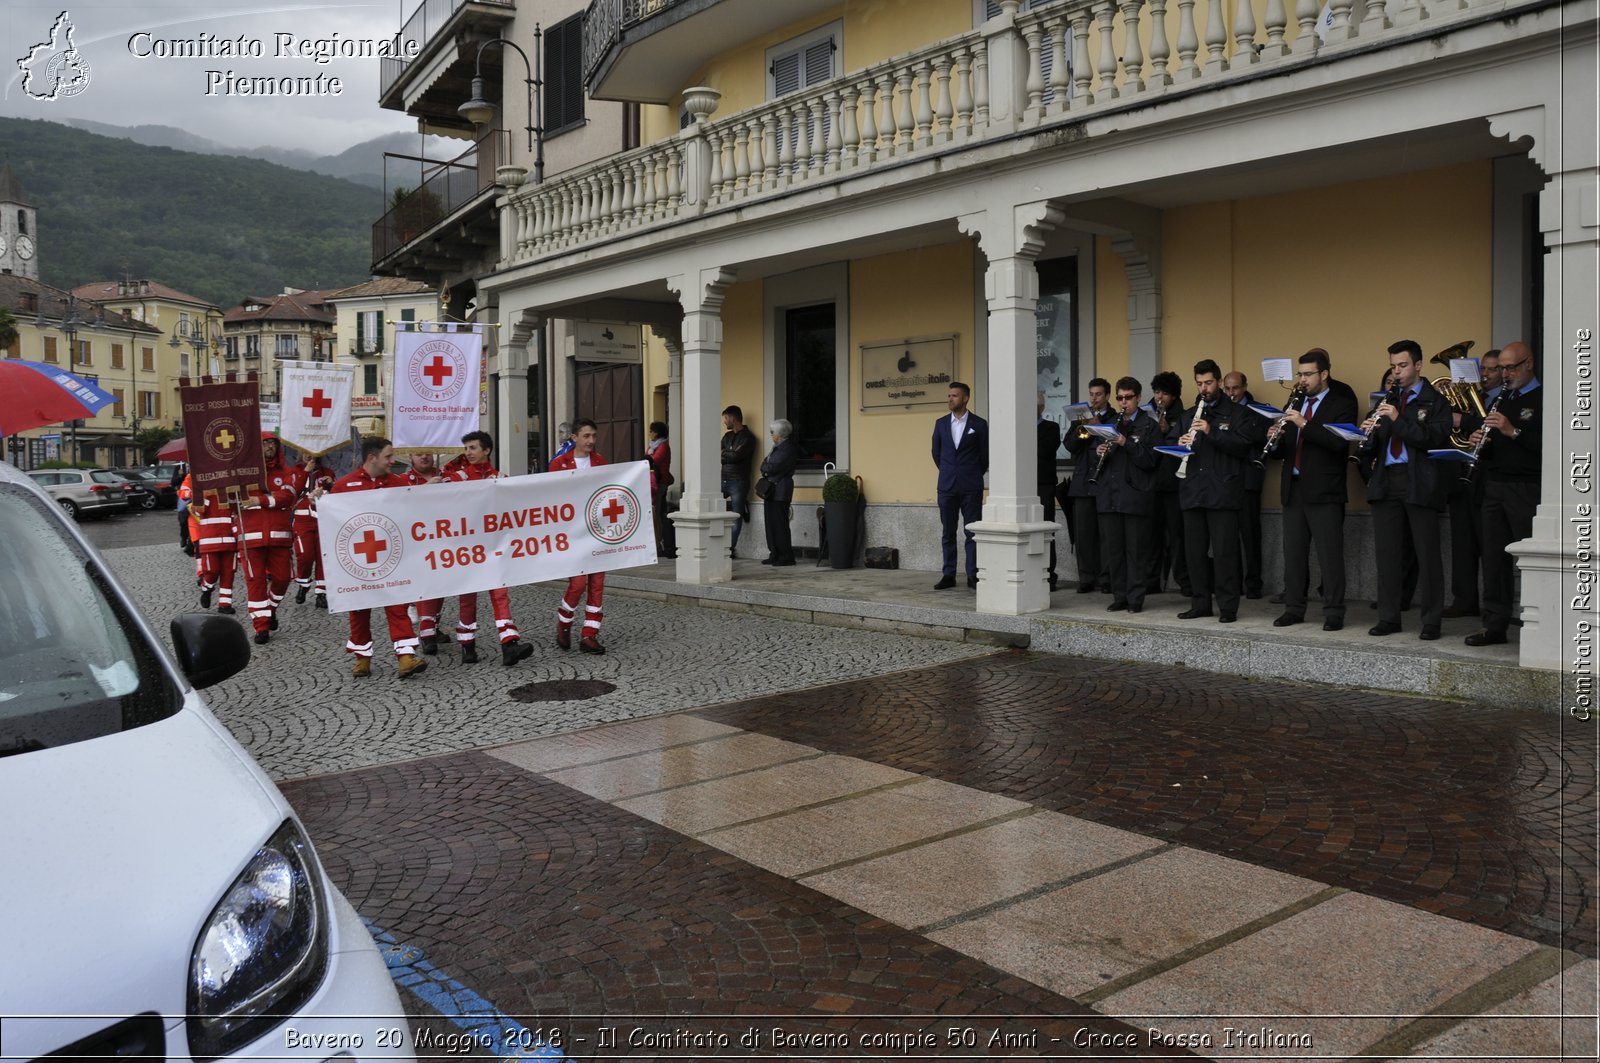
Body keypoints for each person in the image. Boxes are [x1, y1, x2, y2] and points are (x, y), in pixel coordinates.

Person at [1361, 339, 1452, 639]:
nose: (1396, 372)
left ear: (1418, 365)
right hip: (1387, 481)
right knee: (1387, 555)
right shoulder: (1387, 400)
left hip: (1419, 481)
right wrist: (1367, 433)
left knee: (1427, 555)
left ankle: (1431, 621)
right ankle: (1389, 617)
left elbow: (1432, 439)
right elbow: (1375, 445)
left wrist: (1398, 419)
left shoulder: (1435, 401)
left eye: (1402, 366)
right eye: (1392, 366)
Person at [426, 431, 534, 666]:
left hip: (493, 547)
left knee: (500, 593)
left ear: (487, 450)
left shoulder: (501, 478)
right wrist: (430, 484)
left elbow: (519, 503)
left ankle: (509, 645)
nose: (468, 453)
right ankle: (468, 646)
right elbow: (433, 494)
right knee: (468, 597)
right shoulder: (459, 477)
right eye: (466, 448)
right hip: (467, 548)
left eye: (473, 448)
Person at [1270, 349, 1358, 630]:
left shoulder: (1341, 402)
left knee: (1329, 555)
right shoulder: (1294, 401)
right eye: (1300, 374)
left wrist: (1303, 423)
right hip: (1293, 488)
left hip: (1324, 490)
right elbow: (1284, 451)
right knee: (1293, 554)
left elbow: (1338, 443)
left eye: (1308, 374)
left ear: (1324, 374)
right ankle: (1294, 608)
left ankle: (1334, 612)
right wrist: (1275, 438)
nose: (1303, 380)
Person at [330, 437, 427, 679]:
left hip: (392, 557)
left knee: (398, 605)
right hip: (357, 560)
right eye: (388, 457)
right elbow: (331, 523)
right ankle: (362, 658)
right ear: (372, 458)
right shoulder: (343, 486)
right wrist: (318, 501)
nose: (392, 462)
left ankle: (406, 657)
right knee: (359, 608)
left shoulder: (398, 484)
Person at [1464, 341, 1541, 646]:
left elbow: (1550, 446)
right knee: (1494, 559)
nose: (1506, 374)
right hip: (1495, 485)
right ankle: (1494, 625)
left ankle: (1540, 622)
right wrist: (1479, 441)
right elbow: (1498, 445)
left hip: (1526, 486)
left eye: (1511, 367)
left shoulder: (1545, 396)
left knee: (1530, 559)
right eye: (1504, 368)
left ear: (1529, 363)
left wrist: (1512, 431)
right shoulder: (1503, 397)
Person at [1175, 359, 1264, 622]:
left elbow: (1242, 446)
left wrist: (1211, 431)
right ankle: (1200, 603)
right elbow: (1172, 447)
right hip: (1193, 491)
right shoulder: (1188, 415)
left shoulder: (1239, 414)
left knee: (1225, 553)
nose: (1204, 388)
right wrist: (1180, 443)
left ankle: (1227, 607)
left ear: (1219, 382)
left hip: (1223, 491)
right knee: (1195, 553)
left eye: (1209, 383)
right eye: (1199, 383)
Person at [1094, 378, 1161, 613]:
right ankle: (1119, 596)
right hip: (1110, 495)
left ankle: (1135, 599)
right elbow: (1102, 459)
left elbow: (1151, 460)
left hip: (1134, 496)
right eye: (1120, 398)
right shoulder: (1111, 423)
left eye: (1128, 398)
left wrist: (1124, 442)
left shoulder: (1149, 425)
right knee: (1115, 551)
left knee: (1135, 551)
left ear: (1138, 398)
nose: (1124, 402)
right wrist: (1100, 450)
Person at [1443, 348, 1501, 619]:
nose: (1487, 375)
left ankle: (1493, 605)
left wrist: (1463, 419)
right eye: (1484, 370)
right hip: (1461, 476)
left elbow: (1489, 428)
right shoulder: (1468, 398)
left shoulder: (1502, 399)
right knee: (1462, 542)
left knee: (1488, 545)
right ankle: (1463, 599)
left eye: (1493, 369)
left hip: (1488, 479)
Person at [549, 419, 610, 653]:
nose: (591, 441)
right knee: (577, 584)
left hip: (596, 532)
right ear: (574, 438)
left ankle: (589, 635)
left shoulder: (600, 462)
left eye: (594, 435)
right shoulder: (559, 464)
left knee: (597, 584)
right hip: (571, 534)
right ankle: (564, 624)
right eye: (586, 436)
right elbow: (550, 498)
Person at [237, 434, 298, 645]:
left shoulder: (286, 473)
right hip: (251, 538)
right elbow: (231, 496)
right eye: (264, 443)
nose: (269, 447)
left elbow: (288, 496)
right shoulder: (242, 473)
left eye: (272, 443)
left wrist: (260, 500)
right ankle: (261, 627)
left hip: (279, 537)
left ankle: (270, 610)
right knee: (256, 583)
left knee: (282, 579)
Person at [931, 381, 989, 590]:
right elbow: (936, 454)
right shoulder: (940, 424)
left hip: (971, 485)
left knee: (972, 532)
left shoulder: (979, 425)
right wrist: (949, 471)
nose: (950, 399)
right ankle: (949, 574)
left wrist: (971, 473)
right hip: (947, 486)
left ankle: (973, 575)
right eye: (949, 396)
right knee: (948, 532)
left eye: (954, 396)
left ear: (965, 398)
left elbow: (985, 457)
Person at [1065, 378, 1114, 593]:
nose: (1094, 398)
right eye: (1092, 394)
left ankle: (1106, 578)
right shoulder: (1080, 419)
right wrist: (1083, 427)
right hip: (1083, 482)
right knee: (1084, 534)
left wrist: (1099, 427)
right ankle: (1086, 577)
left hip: (1104, 481)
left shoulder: (1115, 417)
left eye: (1099, 394)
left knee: (1105, 535)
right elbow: (1069, 446)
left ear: (1107, 396)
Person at [1222, 371, 1266, 599]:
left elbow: (1260, 438)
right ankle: (1234, 584)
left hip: (1248, 479)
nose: (1231, 393)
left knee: (1250, 535)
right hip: (1226, 479)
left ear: (1245, 386)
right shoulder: (1220, 409)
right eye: (1227, 389)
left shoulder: (1259, 409)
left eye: (1235, 388)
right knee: (1229, 537)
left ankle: (1254, 584)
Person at [1146, 372, 1189, 598]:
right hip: (1153, 484)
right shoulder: (1147, 414)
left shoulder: (1183, 416)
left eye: (1163, 393)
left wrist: (1165, 432)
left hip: (1173, 484)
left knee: (1176, 536)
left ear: (1173, 395)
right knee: (1152, 536)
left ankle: (1183, 580)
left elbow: (1180, 450)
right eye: (1156, 392)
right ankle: (1152, 580)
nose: (1159, 397)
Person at [292, 453, 335, 608]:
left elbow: (334, 496)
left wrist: (332, 485)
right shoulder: (293, 472)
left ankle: (321, 593)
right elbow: (293, 493)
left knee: (323, 557)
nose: (308, 455)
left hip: (323, 520)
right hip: (303, 521)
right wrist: (305, 472)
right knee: (305, 556)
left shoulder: (327, 472)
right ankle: (303, 584)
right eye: (304, 451)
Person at [760, 419, 799, 566]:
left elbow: (771, 467)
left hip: (781, 490)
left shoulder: (787, 448)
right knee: (770, 523)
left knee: (779, 523)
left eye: (772, 432)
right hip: (772, 489)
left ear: (780, 434)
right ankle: (774, 553)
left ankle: (785, 555)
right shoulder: (777, 448)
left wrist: (766, 466)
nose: (771, 435)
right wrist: (766, 466)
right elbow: (764, 464)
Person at [194, 483, 238, 615]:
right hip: (210, 540)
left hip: (230, 539)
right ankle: (206, 589)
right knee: (212, 571)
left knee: (228, 573)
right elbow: (198, 510)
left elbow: (237, 512)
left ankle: (225, 604)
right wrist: (206, 493)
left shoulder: (231, 491)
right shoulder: (203, 490)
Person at [720, 405, 757, 558]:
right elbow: (720, 454)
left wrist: (727, 454)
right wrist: (730, 453)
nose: (724, 422)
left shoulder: (748, 437)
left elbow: (736, 457)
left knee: (736, 515)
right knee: (709, 507)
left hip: (739, 481)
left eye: (726, 418)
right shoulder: (727, 437)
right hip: (723, 479)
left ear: (733, 418)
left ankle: (729, 549)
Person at [1036, 394, 1063, 591]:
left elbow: (1045, 450)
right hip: (1023, 485)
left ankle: (1048, 574)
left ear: (1041, 407)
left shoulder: (1051, 428)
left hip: (1044, 484)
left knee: (1046, 530)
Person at [646, 421, 674, 558]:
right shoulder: (653, 446)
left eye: (651, 431)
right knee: (656, 512)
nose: (649, 433)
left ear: (656, 433)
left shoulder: (663, 446)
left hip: (660, 483)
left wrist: (648, 457)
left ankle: (660, 544)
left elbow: (653, 461)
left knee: (657, 514)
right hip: (652, 482)